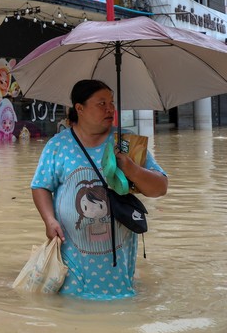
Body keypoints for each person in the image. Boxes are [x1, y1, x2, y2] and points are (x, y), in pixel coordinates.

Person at [31, 79, 168, 299]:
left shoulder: (126, 144)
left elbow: (160, 188)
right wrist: (49, 220)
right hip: (71, 258)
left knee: (120, 304)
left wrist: (132, 170)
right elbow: (40, 186)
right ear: (80, 108)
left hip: (119, 260)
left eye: (111, 102)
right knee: (73, 307)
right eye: (101, 103)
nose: (110, 109)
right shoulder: (58, 145)